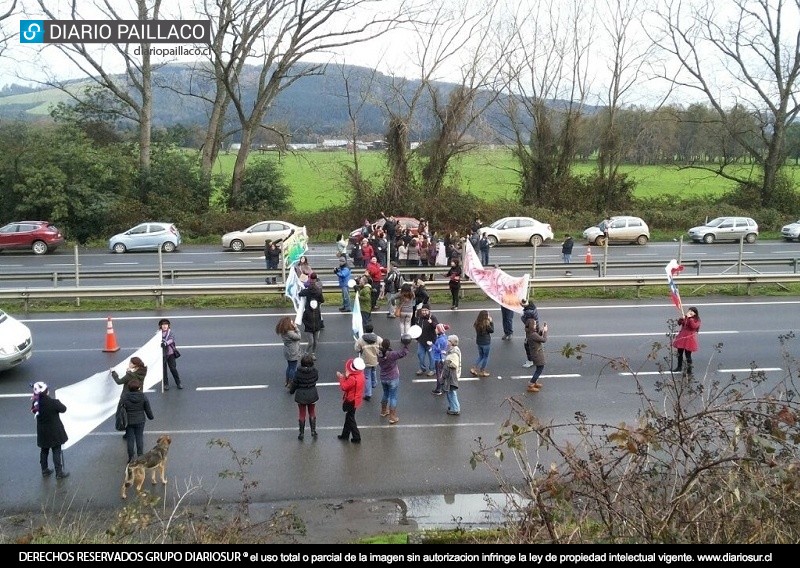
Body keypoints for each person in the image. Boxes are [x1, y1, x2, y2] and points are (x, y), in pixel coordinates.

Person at [32, 382, 69, 479]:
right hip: (54, 431)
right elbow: (64, 409)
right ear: (46, 391)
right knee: (56, 450)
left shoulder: (35, 404)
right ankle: (59, 472)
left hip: (42, 432)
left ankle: (44, 470)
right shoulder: (53, 402)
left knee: (44, 450)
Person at [120, 379, 155, 462]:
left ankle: (131, 456)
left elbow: (121, 409)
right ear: (138, 388)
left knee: (130, 439)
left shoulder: (125, 397)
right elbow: (148, 409)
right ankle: (140, 455)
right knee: (139, 437)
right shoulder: (143, 396)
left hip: (129, 421)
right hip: (140, 420)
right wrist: (151, 417)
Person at [377, 336, 410, 424]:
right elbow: (403, 353)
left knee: (385, 394)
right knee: (393, 397)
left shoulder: (379, 354)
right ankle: (392, 416)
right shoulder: (391, 354)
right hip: (393, 378)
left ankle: (383, 411)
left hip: (383, 377)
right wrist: (406, 345)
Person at [290, 354, 319, 440]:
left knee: (302, 414)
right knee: (312, 412)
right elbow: (316, 379)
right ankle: (313, 431)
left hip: (301, 395)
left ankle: (301, 433)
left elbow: (294, 383)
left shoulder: (298, 373)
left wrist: (292, 391)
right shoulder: (315, 371)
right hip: (312, 394)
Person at [337, 357, 365, 443]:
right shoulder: (360, 375)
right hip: (356, 399)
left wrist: (341, 378)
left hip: (351, 400)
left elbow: (344, 387)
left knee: (350, 418)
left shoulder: (353, 378)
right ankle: (345, 434)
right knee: (349, 417)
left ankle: (356, 437)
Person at [299, 274, 324, 359]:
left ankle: (306, 353)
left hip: (309, 313)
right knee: (315, 341)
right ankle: (312, 353)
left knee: (311, 342)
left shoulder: (307, 290)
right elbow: (322, 300)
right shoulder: (318, 290)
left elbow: (300, 294)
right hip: (316, 315)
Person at [355, 323, 382, 401]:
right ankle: (374, 383)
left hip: (366, 360)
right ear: (373, 330)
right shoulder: (378, 339)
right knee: (374, 371)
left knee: (367, 377)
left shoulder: (361, 339)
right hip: (375, 359)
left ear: (365, 330)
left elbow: (357, 349)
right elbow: (382, 347)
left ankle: (368, 394)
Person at [672, 307, 701, 375]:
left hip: (689, 338)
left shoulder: (697, 320)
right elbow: (679, 323)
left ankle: (689, 370)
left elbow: (693, 326)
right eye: (689, 310)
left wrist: (690, 318)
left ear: (695, 313)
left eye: (692, 311)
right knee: (679, 353)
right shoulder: (686, 317)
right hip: (682, 337)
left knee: (688, 355)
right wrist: (682, 318)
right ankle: (679, 367)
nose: (690, 312)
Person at [276, 316, 302, 389]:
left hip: (288, 351)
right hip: (293, 351)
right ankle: (291, 383)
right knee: (293, 368)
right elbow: (298, 337)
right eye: (291, 321)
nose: (292, 322)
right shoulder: (290, 332)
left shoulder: (283, 331)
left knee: (289, 366)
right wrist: (296, 328)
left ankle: (287, 381)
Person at [413, 304, 438, 376]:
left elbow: (437, 327)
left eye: (425, 310)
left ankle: (432, 370)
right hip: (421, 341)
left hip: (431, 342)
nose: (424, 312)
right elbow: (417, 328)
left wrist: (432, 323)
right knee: (420, 355)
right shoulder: (419, 318)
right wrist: (417, 338)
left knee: (432, 356)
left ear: (429, 311)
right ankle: (422, 368)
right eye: (423, 310)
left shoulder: (433, 318)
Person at [159, 318, 182, 390]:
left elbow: (171, 339)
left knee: (173, 368)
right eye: (163, 324)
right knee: (164, 370)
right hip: (162, 355)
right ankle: (166, 384)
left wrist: (165, 343)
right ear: (160, 326)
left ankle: (178, 383)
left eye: (166, 324)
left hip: (170, 353)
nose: (164, 326)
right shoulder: (158, 334)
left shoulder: (170, 332)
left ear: (168, 325)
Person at [526, 321, 548, 392]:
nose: (536, 325)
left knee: (538, 368)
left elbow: (537, 337)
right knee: (539, 369)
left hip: (535, 353)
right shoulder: (533, 335)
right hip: (537, 354)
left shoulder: (531, 333)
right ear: (531, 326)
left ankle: (535, 382)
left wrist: (541, 331)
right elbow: (543, 340)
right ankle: (531, 383)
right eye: (534, 324)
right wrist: (545, 332)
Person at [442, 335, 462, 416]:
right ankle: (453, 406)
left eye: (448, 341)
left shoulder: (453, 353)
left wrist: (446, 362)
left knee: (451, 392)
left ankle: (455, 409)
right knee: (451, 392)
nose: (447, 342)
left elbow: (453, 365)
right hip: (453, 375)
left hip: (452, 376)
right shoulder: (455, 349)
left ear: (452, 342)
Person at [471, 310, 494, 377]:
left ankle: (474, 368)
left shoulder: (477, 323)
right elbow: (492, 330)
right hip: (486, 343)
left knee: (480, 356)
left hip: (479, 342)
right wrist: (491, 322)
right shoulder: (486, 324)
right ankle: (482, 371)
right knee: (485, 357)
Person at [520, 300, 541, 367]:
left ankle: (530, 360)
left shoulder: (528, 312)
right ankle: (537, 357)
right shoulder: (532, 306)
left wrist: (522, 316)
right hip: (536, 327)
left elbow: (527, 322)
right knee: (534, 344)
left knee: (528, 345)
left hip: (531, 330)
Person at [431, 323, 450, 395]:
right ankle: (443, 387)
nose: (435, 330)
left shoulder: (439, 340)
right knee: (442, 373)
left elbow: (438, 350)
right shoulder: (445, 337)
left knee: (439, 374)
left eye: (436, 329)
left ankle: (438, 389)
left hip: (438, 358)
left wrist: (431, 345)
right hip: (443, 358)